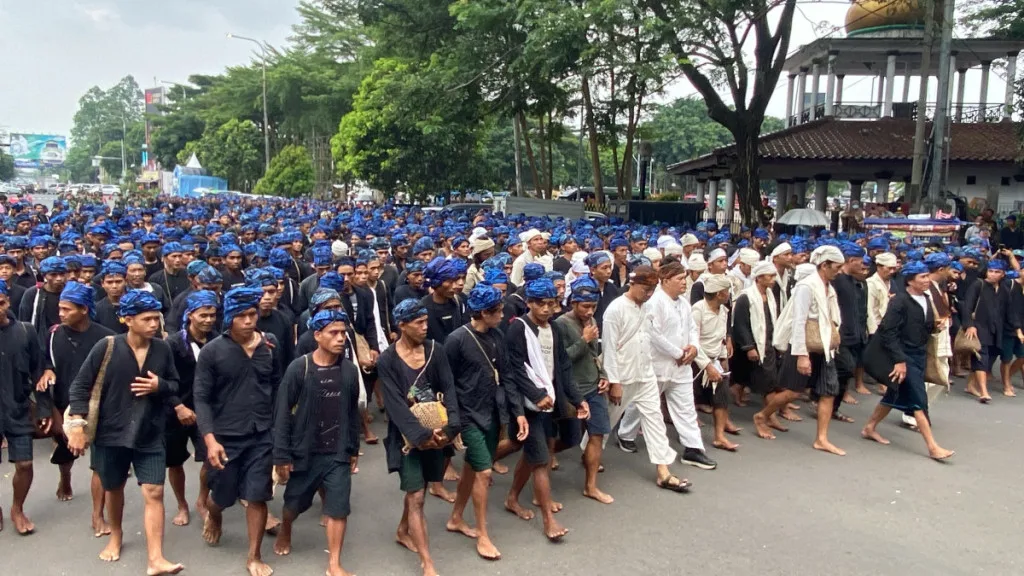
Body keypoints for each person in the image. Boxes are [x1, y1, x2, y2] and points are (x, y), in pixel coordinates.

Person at [66, 290, 184, 574]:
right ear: (127, 320)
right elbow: (79, 387)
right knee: (114, 488)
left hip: (150, 431)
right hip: (111, 432)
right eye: (147, 319)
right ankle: (116, 535)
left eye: (156, 318)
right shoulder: (106, 347)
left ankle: (156, 558)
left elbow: (175, 385)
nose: (155, 324)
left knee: (154, 491)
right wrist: (77, 427)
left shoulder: (163, 349)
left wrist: (160, 387)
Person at [194, 286, 282, 576]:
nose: (248, 320)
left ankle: (254, 555)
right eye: (241, 315)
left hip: (261, 433)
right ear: (229, 318)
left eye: (252, 314)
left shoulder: (269, 345)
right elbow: (202, 398)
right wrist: (209, 440)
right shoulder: (212, 352)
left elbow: (278, 387)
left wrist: (282, 435)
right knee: (223, 497)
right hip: (225, 437)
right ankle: (214, 516)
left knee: (257, 495)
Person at [273, 310, 361, 576]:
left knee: (338, 507)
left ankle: (334, 563)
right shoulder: (300, 368)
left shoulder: (349, 370)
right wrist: (281, 456)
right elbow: (282, 413)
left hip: (337, 452)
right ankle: (286, 528)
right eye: (333, 333)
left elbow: (352, 412)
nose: (340, 338)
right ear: (317, 335)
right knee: (293, 505)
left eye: (343, 333)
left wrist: (353, 447)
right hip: (305, 452)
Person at [377, 299, 460, 576]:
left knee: (422, 486)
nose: (425, 327)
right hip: (407, 439)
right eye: (418, 323)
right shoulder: (388, 360)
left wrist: (450, 429)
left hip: (438, 433)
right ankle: (428, 563)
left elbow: (448, 387)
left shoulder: (436, 350)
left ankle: (403, 529)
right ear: (402, 325)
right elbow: (394, 404)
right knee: (416, 496)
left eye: (426, 321)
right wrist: (420, 435)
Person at [444, 283, 527, 560]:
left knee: (473, 466)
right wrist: (453, 421)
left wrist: (517, 412)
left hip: (492, 411)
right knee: (484, 472)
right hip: (468, 415)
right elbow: (447, 383)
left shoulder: (498, 336)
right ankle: (483, 534)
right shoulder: (457, 340)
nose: (501, 315)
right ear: (481, 313)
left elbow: (508, 375)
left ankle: (456, 517)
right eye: (496, 311)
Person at [504, 278, 590, 540]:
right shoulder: (518, 329)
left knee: (537, 453)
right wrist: (536, 395)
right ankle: (548, 520)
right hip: (529, 406)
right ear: (529, 303)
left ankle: (512, 498)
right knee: (540, 460)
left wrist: (577, 399)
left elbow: (563, 366)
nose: (545, 309)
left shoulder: (553, 329)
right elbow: (515, 369)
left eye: (551, 304)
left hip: (552, 402)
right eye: (540, 304)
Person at [34, 281, 115, 536]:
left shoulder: (105, 337)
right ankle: (65, 477)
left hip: (98, 405)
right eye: (59, 308)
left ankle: (97, 514)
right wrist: (47, 372)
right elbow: (44, 364)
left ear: (84, 309)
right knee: (66, 450)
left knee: (99, 464)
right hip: (63, 403)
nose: (61, 314)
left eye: (67, 309)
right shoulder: (53, 334)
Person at [602, 266, 690, 489]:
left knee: (655, 421)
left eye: (652, 289)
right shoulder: (615, 310)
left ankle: (663, 471)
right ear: (633, 284)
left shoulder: (648, 307)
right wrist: (615, 382)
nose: (649, 293)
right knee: (607, 420)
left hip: (646, 372)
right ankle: (589, 453)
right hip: (623, 375)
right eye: (645, 289)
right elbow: (610, 350)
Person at [625, 262, 717, 469]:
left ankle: (693, 449)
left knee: (686, 408)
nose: (684, 283)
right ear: (666, 281)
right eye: (680, 279)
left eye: (685, 278)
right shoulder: (654, 301)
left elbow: (692, 328)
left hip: (681, 366)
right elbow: (652, 333)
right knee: (641, 403)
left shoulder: (683, 303)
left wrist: (693, 347)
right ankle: (625, 434)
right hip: (657, 365)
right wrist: (677, 352)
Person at [861, 261, 956, 461]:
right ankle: (933, 447)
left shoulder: (927, 298)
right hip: (904, 356)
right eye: (922, 277)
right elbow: (888, 332)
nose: (926, 280)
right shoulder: (900, 301)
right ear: (910, 280)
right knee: (919, 401)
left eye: (926, 276)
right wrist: (899, 360)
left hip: (919, 354)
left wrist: (934, 326)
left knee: (894, 394)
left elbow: (920, 326)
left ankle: (870, 427)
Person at [776, 246, 846, 456]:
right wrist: (802, 355)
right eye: (836, 267)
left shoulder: (828, 287)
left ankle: (821, 438)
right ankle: (764, 414)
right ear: (824, 265)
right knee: (792, 391)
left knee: (828, 391)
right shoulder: (806, 286)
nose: (839, 271)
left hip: (824, 345)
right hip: (806, 345)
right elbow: (799, 322)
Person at [555, 276, 619, 500]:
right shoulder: (561, 324)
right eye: (585, 306)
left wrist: (603, 375)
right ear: (573, 303)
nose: (590, 311)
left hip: (593, 387)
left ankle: (591, 486)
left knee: (597, 434)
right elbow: (561, 360)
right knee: (566, 439)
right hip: (571, 391)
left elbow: (594, 354)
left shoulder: (590, 322)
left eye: (593, 306)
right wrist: (583, 339)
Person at [164, 290, 219, 527]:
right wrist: (177, 406)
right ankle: (181, 505)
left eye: (212, 315)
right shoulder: (173, 344)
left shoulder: (218, 341)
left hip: (205, 410)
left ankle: (201, 500)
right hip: (175, 409)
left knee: (210, 457)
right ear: (190, 315)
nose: (208, 320)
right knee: (174, 461)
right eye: (202, 315)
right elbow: (163, 379)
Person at [0, 278, 45, 535]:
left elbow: (41, 372)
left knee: (25, 464)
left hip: (18, 408)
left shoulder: (25, 332)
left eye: (1, 303)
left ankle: (17, 508)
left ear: (7, 302)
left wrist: (46, 409)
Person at [690, 274, 741, 451]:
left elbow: (719, 337)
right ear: (720, 293)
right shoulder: (698, 310)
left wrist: (722, 357)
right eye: (727, 291)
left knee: (722, 398)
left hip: (715, 360)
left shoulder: (724, 311)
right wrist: (707, 365)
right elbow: (693, 341)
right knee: (689, 400)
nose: (729, 294)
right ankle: (691, 441)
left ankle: (719, 436)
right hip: (695, 362)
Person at [961, 258, 1015, 403]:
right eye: (990, 271)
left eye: (997, 272)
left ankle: (971, 385)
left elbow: (1009, 311)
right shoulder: (978, 285)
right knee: (981, 358)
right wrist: (970, 325)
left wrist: (1017, 328)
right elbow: (967, 307)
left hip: (997, 330)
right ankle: (984, 391)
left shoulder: (1004, 289)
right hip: (979, 328)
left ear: (1003, 274)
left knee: (990, 356)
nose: (992, 274)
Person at [830, 243, 869, 418]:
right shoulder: (837, 281)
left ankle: (833, 409)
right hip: (840, 334)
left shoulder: (856, 282)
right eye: (860, 262)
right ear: (851, 260)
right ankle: (821, 399)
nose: (863, 266)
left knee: (846, 373)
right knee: (845, 367)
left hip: (855, 334)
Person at [865, 252, 899, 395]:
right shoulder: (871, 283)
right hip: (878, 324)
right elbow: (869, 309)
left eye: (893, 268)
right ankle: (882, 383)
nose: (891, 272)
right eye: (888, 268)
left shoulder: (892, 282)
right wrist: (873, 330)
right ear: (879, 266)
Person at [19, 255, 67, 341]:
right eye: (53, 275)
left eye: (62, 274)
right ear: (44, 275)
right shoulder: (32, 294)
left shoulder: (70, 294)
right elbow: (24, 321)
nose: (59, 278)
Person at [95, 260, 130, 334]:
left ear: (126, 281)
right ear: (102, 283)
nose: (114, 286)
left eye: (118, 282)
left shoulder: (135, 304)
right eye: (109, 282)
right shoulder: (97, 309)